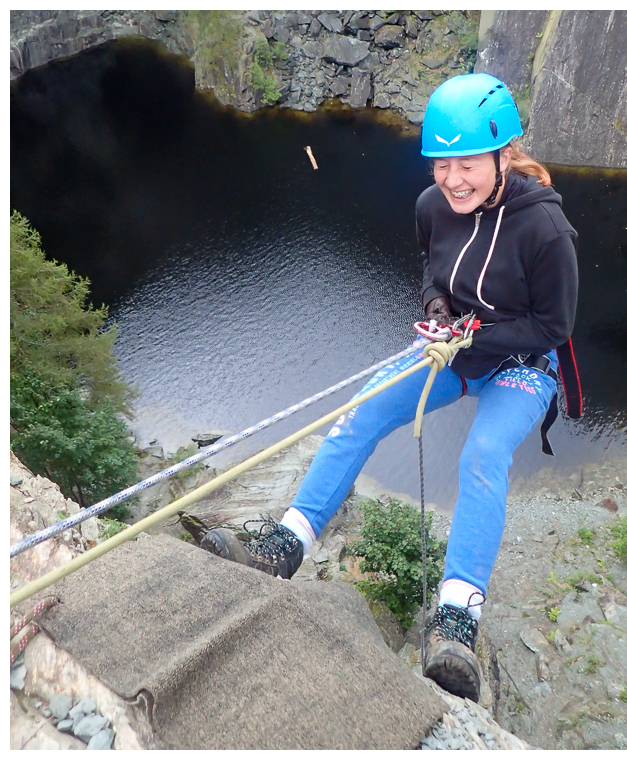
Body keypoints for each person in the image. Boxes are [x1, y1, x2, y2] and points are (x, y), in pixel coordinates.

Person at [201, 72, 579, 703]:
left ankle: (457, 618)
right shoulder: (433, 207)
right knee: (361, 411)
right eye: (442, 164)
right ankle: (287, 543)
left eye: (468, 164)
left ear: (504, 156)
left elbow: (554, 325)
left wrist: (467, 340)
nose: (453, 180)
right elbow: (434, 271)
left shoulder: (545, 231)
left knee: (483, 456)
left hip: (520, 362)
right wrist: (437, 310)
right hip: (452, 345)